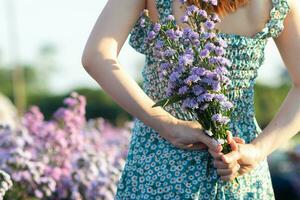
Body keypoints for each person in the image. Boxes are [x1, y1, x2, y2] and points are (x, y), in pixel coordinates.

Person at [81, 0, 300, 199]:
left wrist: (169, 124)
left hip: (159, 167)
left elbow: (96, 56)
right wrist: (256, 151)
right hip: (238, 165)